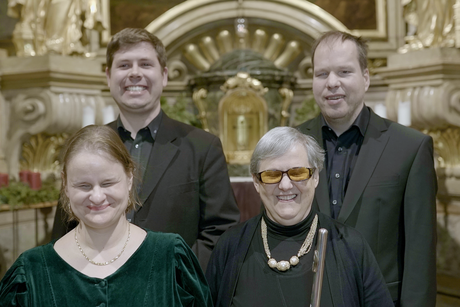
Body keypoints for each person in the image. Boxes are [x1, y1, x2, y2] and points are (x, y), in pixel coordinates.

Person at [52, 28, 240, 271]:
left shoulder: (202, 147)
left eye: (145, 64)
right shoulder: (83, 147)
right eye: (124, 65)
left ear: (163, 76)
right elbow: (64, 227)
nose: (135, 73)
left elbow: (221, 231)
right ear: (108, 76)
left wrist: (175, 278)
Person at [297, 31, 437, 306]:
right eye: (322, 74)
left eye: (344, 72)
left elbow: (420, 253)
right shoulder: (292, 145)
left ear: (366, 77)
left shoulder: (410, 147)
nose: (332, 83)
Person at [0, 125, 212, 306]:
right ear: (65, 185)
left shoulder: (171, 258)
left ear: (129, 178)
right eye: (84, 185)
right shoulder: (30, 272)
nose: (97, 197)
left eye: (108, 183)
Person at [205, 127, 393, 307]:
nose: (285, 185)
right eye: (272, 175)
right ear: (256, 182)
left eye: (298, 173)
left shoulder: (352, 246)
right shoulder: (230, 246)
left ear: (315, 177)